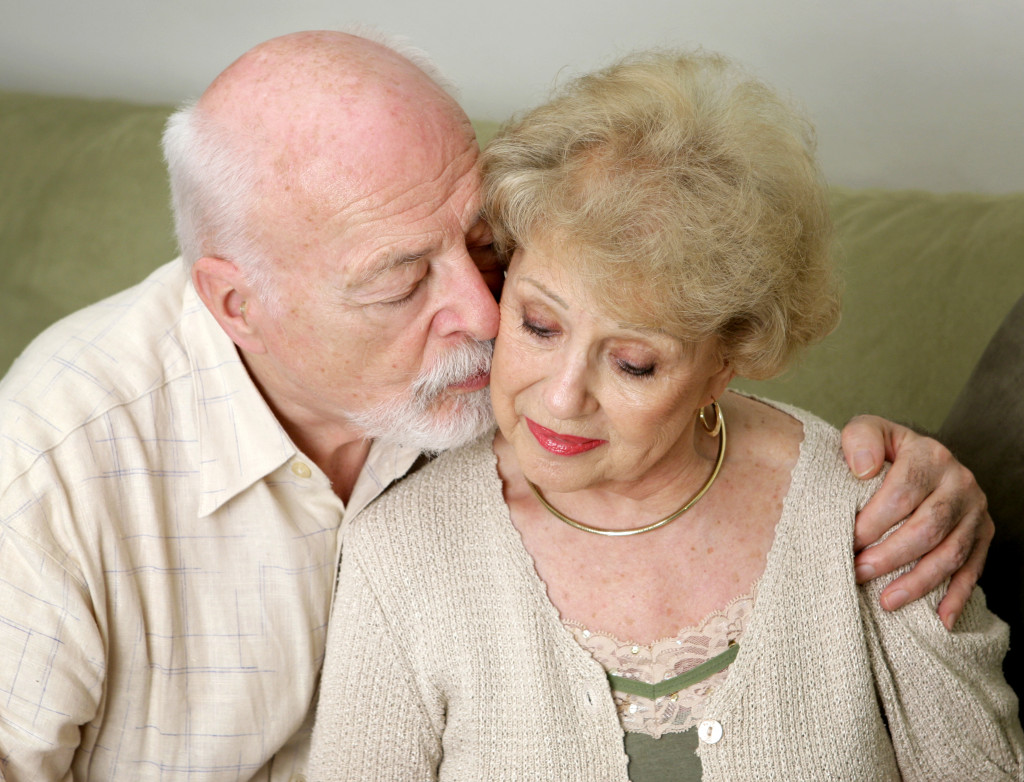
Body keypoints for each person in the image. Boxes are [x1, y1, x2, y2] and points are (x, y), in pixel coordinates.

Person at [0, 31, 996, 782]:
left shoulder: (500, 355)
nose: (483, 313)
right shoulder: (51, 471)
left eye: (480, 245)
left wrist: (922, 478)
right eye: (400, 277)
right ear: (235, 305)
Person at [308, 49, 1023, 780]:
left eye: (633, 363)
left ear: (725, 359)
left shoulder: (876, 515)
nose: (560, 397)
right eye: (539, 326)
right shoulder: (404, 554)